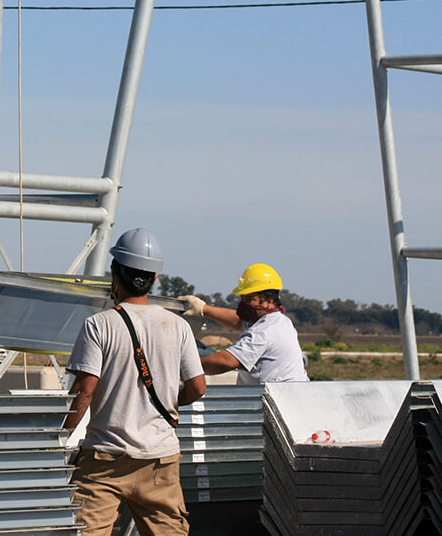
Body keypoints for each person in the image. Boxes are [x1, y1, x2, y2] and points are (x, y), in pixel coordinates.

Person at [65, 228, 206, 535]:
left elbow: (84, 393)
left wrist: (58, 436)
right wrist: (171, 403)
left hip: (105, 460)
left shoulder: (98, 325)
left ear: (114, 275)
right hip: (160, 459)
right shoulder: (178, 326)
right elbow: (197, 387)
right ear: (154, 279)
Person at [178, 263, 309, 384]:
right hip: (291, 396)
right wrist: (203, 309)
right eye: (242, 298)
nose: (243, 304)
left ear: (268, 300)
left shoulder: (264, 331)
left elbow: (226, 361)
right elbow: (238, 322)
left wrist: (183, 369)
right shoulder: (279, 321)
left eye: (249, 299)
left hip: (276, 403)